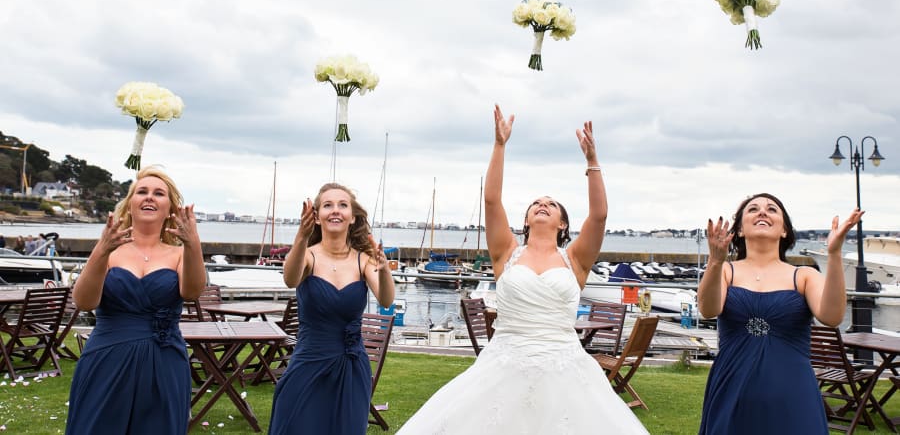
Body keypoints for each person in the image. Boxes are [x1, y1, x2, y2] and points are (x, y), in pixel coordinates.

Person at [396, 105, 648, 434]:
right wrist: (499, 145)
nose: (543, 205)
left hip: (565, 366)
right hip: (505, 362)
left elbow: (599, 216)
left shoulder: (574, 260)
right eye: (536, 203)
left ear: (562, 224)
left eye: (551, 204)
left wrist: (592, 162)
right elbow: (491, 201)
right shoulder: (506, 253)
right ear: (527, 220)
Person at [697, 193, 863, 434]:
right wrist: (715, 261)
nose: (762, 212)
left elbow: (832, 317)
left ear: (784, 230)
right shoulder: (725, 271)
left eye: (772, 209)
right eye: (753, 209)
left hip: (793, 392)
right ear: (740, 230)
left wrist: (835, 254)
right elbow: (708, 309)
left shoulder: (804, 275)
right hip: (733, 389)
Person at [66, 166, 205, 435]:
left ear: (170, 208)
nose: (149, 197)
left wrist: (193, 243)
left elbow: (192, 292)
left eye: (159, 193)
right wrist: (101, 250)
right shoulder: (110, 251)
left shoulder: (179, 254)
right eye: (142, 191)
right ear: (130, 204)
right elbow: (84, 302)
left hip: (163, 361)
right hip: (107, 357)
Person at [268, 182, 395, 435]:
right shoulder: (308, 256)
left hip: (351, 368)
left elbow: (386, 300)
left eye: (342, 205)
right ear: (316, 217)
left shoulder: (363, 259)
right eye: (328, 205)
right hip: (309, 362)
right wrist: (301, 236)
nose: (335, 210)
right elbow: (290, 279)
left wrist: (384, 270)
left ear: (352, 217)